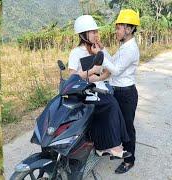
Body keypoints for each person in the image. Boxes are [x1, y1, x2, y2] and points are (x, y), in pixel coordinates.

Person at [68, 15, 131, 159]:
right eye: (93, 32)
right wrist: (92, 71)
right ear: (84, 34)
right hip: (84, 91)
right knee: (110, 104)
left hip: (99, 88)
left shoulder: (98, 50)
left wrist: (99, 75)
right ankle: (111, 145)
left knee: (113, 103)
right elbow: (72, 76)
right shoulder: (76, 52)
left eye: (97, 32)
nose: (97, 35)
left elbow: (109, 71)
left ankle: (107, 145)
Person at [92, 9, 140, 174]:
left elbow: (116, 70)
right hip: (117, 91)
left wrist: (100, 55)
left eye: (119, 28)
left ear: (129, 29)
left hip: (126, 94)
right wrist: (103, 50)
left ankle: (129, 160)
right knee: (117, 124)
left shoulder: (131, 49)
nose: (116, 31)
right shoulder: (124, 46)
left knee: (127, 127)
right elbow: (112, 62)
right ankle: (117, 149)